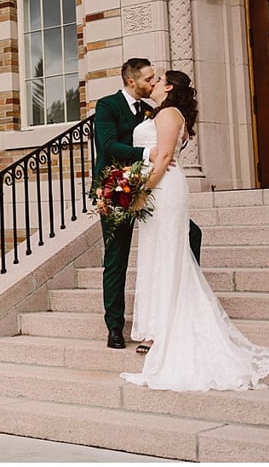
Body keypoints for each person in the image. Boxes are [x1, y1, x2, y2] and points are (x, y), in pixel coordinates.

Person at [121, 70, 269, 390]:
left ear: (169, 87)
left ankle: (167, 327)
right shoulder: (164, 112)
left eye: (158, 79)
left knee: (169, 255)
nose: (153, 82)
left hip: (162, 189)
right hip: (157, 186)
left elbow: (165, 156)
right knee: (158, 256)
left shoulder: (168, 113)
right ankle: (157, 326)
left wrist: (141, 192)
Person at [94, 58, 202, 350]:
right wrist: (148, 154)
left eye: (156, 78)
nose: (153, 82)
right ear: (132, 81)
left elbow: (170, 136)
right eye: (148, 78)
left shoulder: (153, 108)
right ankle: (114, 327)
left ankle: (183, 301)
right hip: (118, 187)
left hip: (153, 188)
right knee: (116, 259)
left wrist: (174, 143)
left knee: (191, 234)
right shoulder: (107, 106)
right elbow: (108, 145)